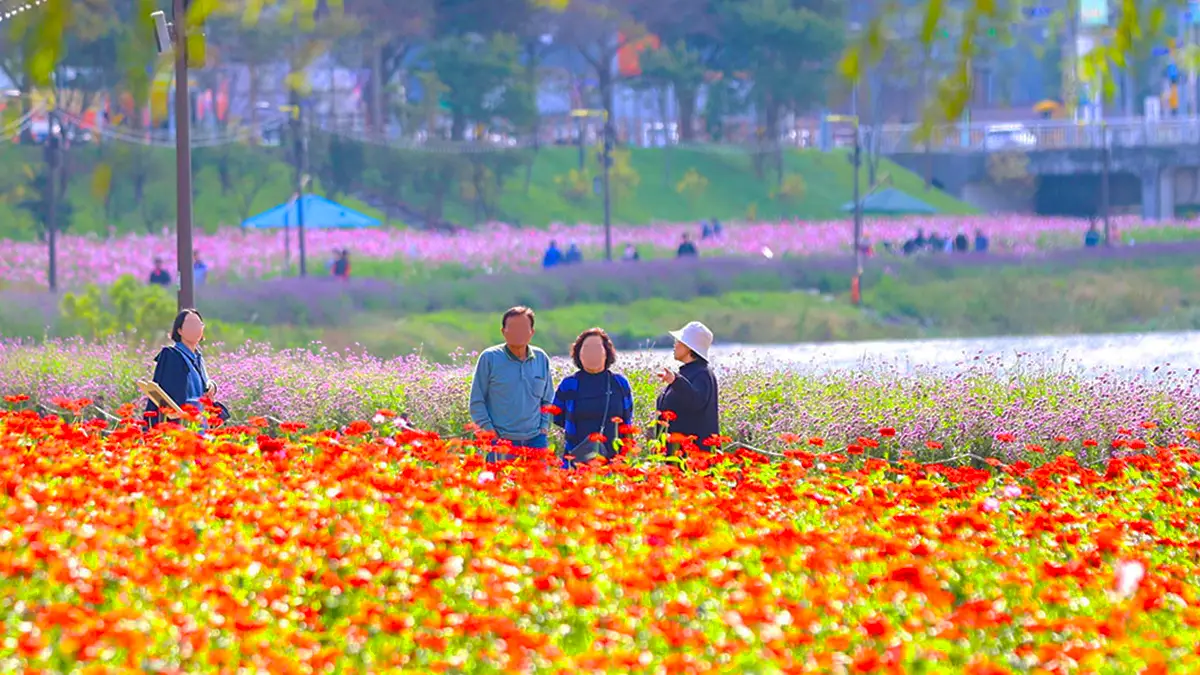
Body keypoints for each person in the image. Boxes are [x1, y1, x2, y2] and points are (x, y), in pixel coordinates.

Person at [469, 306, 555, 462]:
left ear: (532, 332)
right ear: (503, 331)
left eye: (523, 328)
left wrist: (543, 428)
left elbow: (548, 399)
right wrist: (490, 432)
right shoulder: (490, 358)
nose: (518, 333)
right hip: (501, 442)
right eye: (513, 328)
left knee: (538, 486)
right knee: (501, 486)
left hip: (536, 441)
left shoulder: (541, 358)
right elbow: (477, 401)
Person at [551, 327, 635, 468]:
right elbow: (557, 417)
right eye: (587, 349)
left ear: (606, 353)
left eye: (597, 349)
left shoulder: (619, 383)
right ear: (579, 354)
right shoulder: (569, 384)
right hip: (577, 461)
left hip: (615, 464)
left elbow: (627, 418)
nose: (592, 354)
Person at [145, 308, 217, 428]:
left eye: (199, 324)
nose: (195, 328)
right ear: (179, 330)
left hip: (200, 424)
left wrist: (212, 386)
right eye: (190, 325)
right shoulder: (172, 357)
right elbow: (170, 396)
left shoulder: (198, 357)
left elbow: (202, 384)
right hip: (182, 425)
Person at [655, 321, 720, 452]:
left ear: (689, 347)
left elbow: (696, 401)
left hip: (693, 458)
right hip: (677, 453)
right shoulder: (688, 372)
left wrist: (675, 381)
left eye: (678, 341)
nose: (675, 344)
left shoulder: (703, 374)